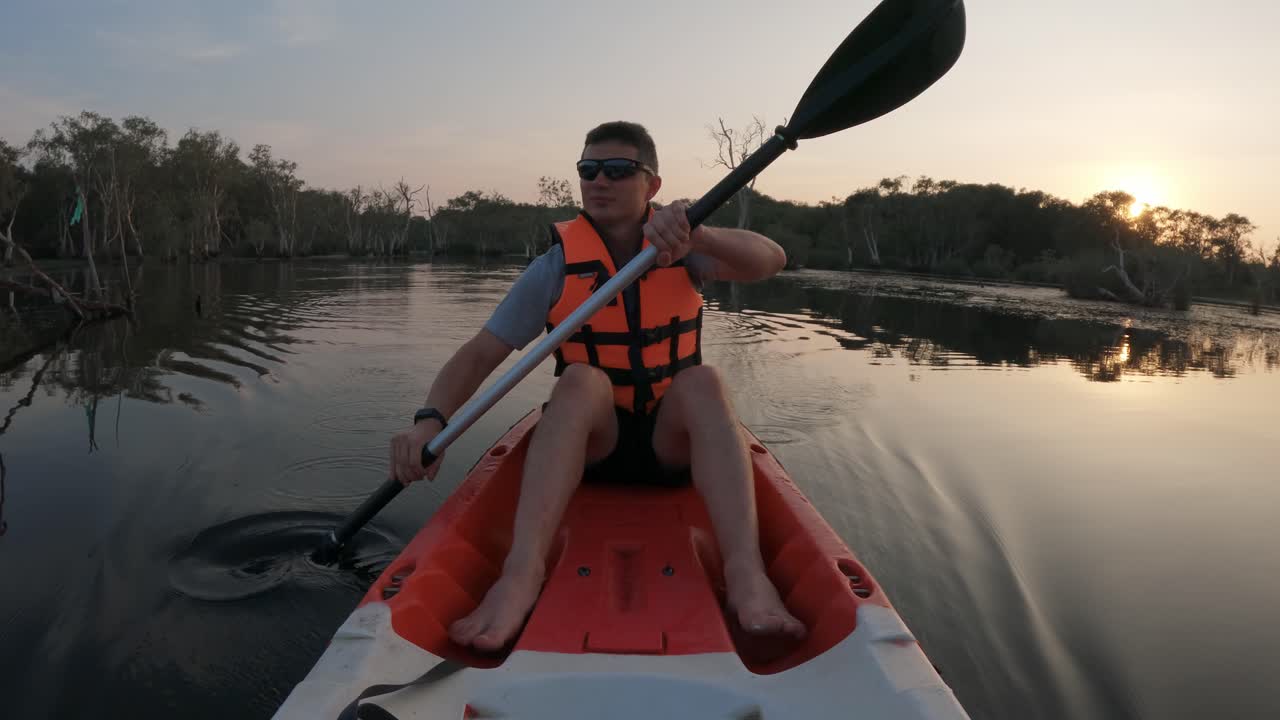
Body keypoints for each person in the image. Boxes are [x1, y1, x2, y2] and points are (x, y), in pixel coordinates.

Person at [387, 121, 805, 652]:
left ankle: (747, 575)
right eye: (588, 170)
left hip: (670, 447)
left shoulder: (686, 250)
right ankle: (520, 574)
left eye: (617, 170)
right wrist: (429, 419)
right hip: (596, 448)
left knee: (703, 381)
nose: (598, 181)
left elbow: (771, 260)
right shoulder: (558, 264)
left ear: (651, 185)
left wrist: (698, 232)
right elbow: (480, 353)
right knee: (580, 379)